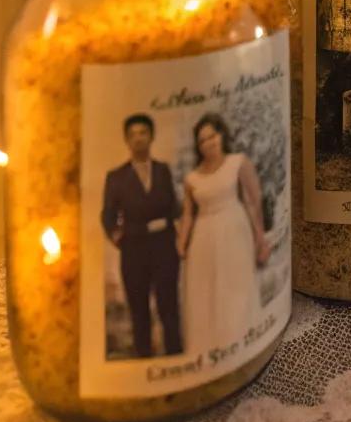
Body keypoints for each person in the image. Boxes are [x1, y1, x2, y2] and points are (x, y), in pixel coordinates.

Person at [176, 113, 269, 356]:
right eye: (202, 140)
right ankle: (209, 350)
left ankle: (240, 342)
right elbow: (188, 214)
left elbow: (253, 201)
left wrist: (260, 238)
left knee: (233, 287)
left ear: (221, 135)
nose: (209, 143)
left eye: (212, 136)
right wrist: (182, 242)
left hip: (234, 229)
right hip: (203, 237)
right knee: (206, 292)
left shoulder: (238, 162)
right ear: (198, 146)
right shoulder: (192, 178)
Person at [101, 113, 182, 358]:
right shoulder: (116, 177)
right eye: (133, 135)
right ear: (127, 140)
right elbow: (108, 216)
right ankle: (144, 359)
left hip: (165, 247)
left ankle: (175, 357)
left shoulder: (163, 171)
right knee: (139, 310)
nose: (138, 139)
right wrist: (120, 239)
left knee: (168, 306)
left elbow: (173, 207)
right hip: (134, 251)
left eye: (143, 133)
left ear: (151, 137)